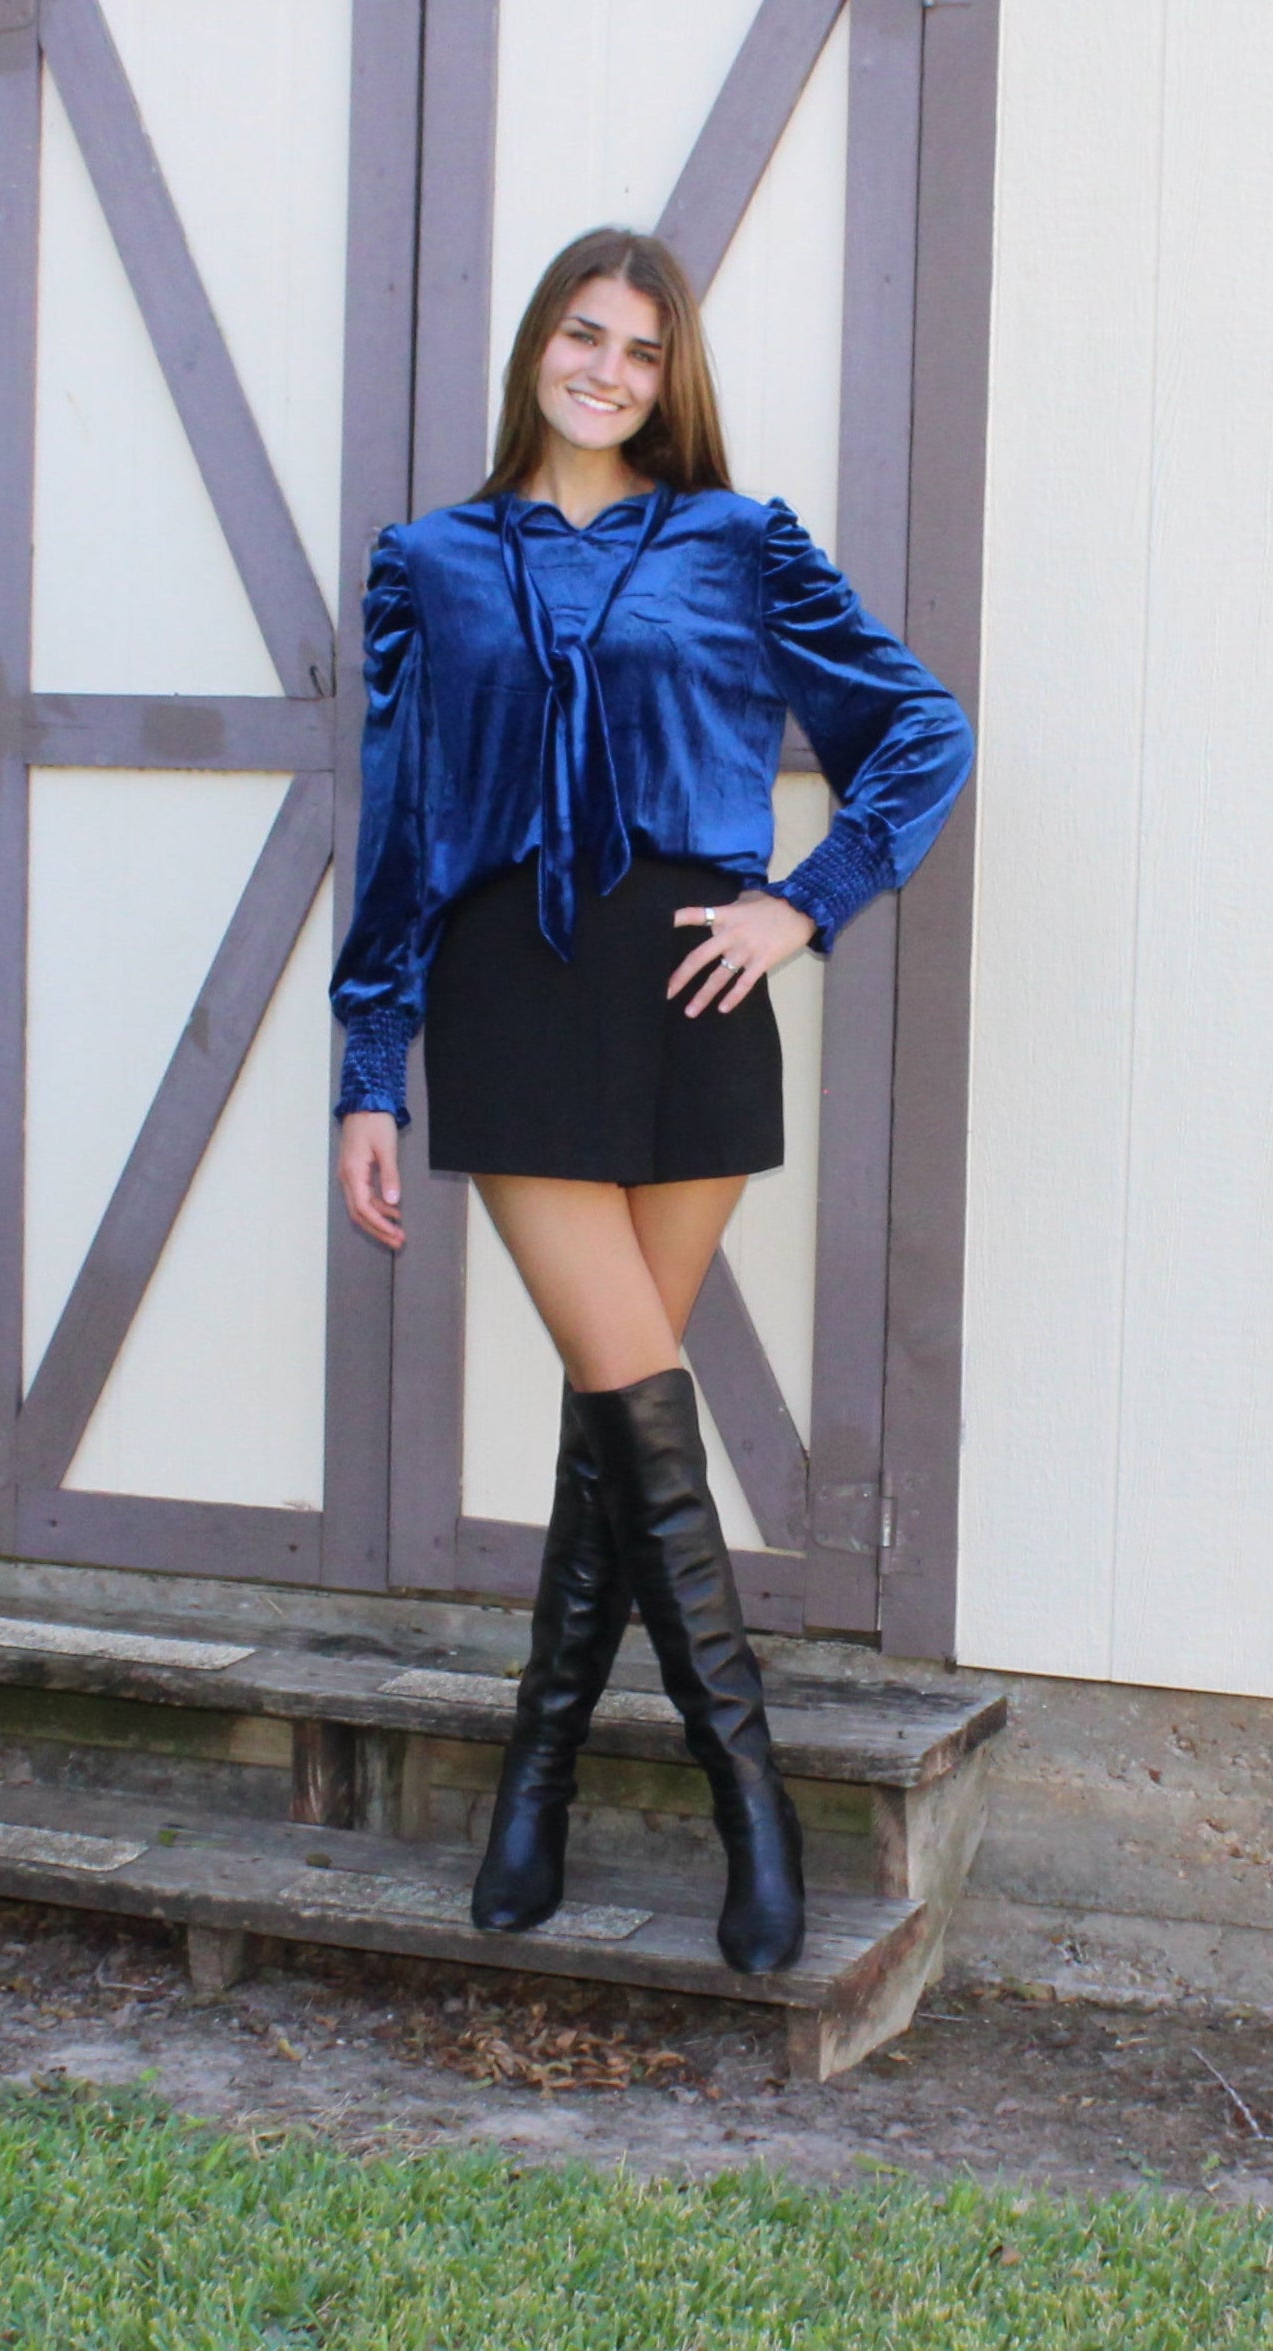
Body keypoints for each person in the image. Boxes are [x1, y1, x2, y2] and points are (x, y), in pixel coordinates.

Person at [329, 225, 973, 1976]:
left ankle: (533, 1779)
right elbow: (394, 831)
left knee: (626, 1442)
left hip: (693, 992)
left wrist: (803, 902)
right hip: (513, 991)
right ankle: (746, 1801)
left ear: (668, 375)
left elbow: (923, 730)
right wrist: (366, 1071)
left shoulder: (739, 542)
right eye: (579, 334)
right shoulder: (429, 563)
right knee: (638, 1395)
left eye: (637, 348)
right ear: (538, 343)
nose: (603, 369)